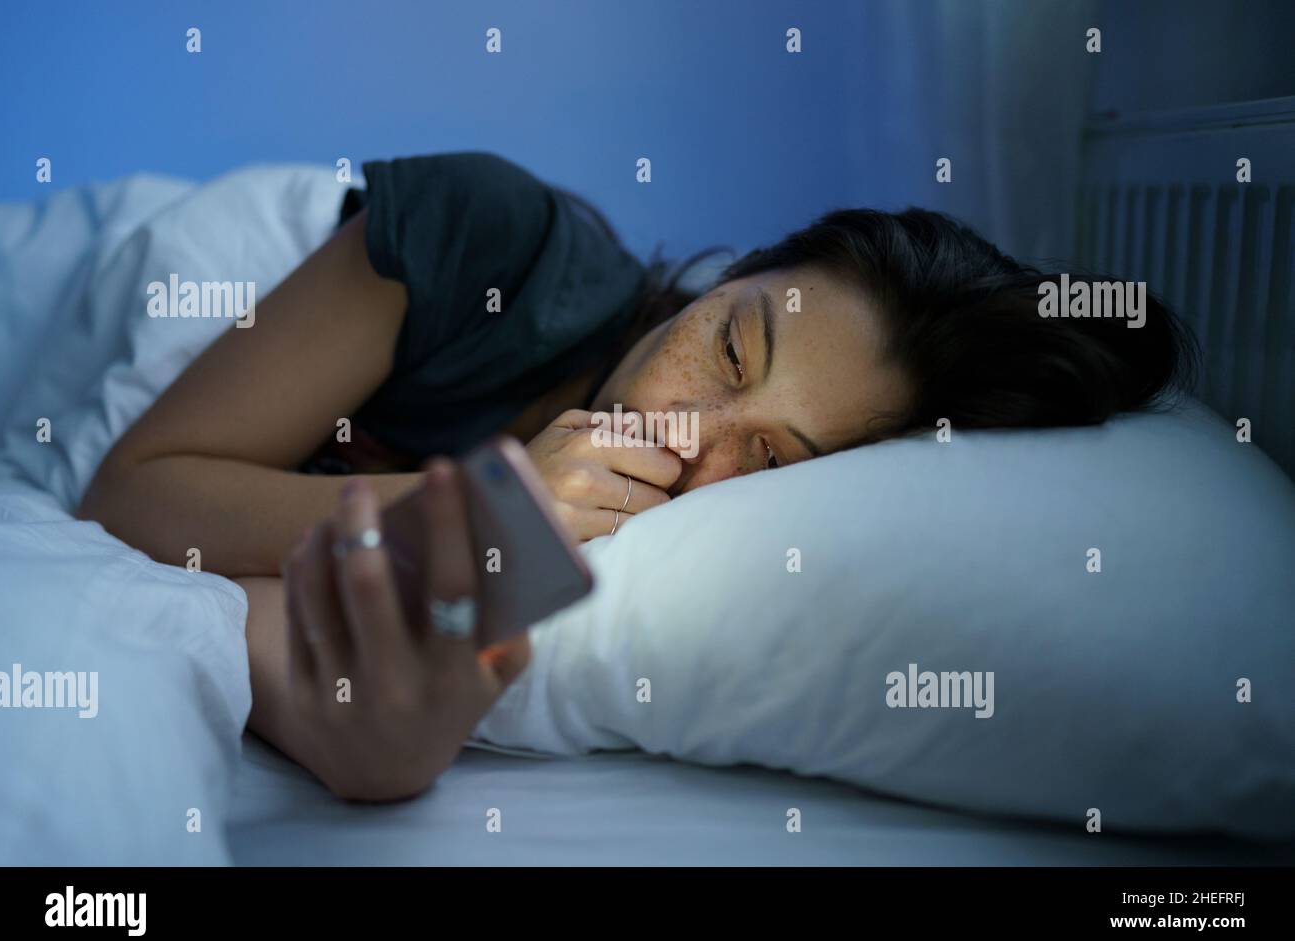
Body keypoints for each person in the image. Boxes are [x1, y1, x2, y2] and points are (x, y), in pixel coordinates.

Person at [76, 151, 1196, 799]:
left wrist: (384, 738)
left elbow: (290, 643)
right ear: (732, 278)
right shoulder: (493, 241)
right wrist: (481, 502)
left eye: (764, 457)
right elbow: (132, 493)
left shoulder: (645, 536)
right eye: (728, 349)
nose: (684, 429)